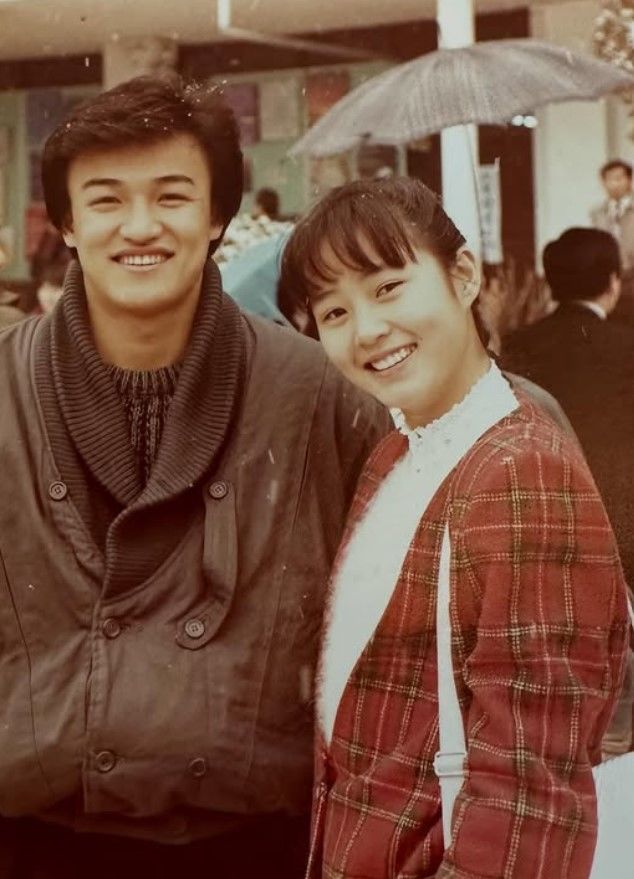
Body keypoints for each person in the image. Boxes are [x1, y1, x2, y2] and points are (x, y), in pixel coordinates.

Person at [0, 75, 391, 878]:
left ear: (217, 217)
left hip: (254, 847)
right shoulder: (4, 386)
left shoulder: (319, 393)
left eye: (172, 196)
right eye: (106, 200)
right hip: (25, 839)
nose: (140, 225)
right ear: (67, 224)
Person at [279, 177, 629, 879]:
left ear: (463, 274)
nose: (366, 329)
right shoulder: (395, 453)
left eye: (387, 287)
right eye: (335, 311)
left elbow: (529, 798)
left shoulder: (523, 469)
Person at [501, 226, 634, 757]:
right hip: (623, 521)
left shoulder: (518, 344)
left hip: (546, 518)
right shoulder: (627, 346)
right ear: (612, 282)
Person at [591, 159, 634, 323]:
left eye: (619, 178)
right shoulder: (598, 213)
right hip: (608, 280)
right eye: (609, 179)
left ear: (629, 180)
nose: (614, 184)